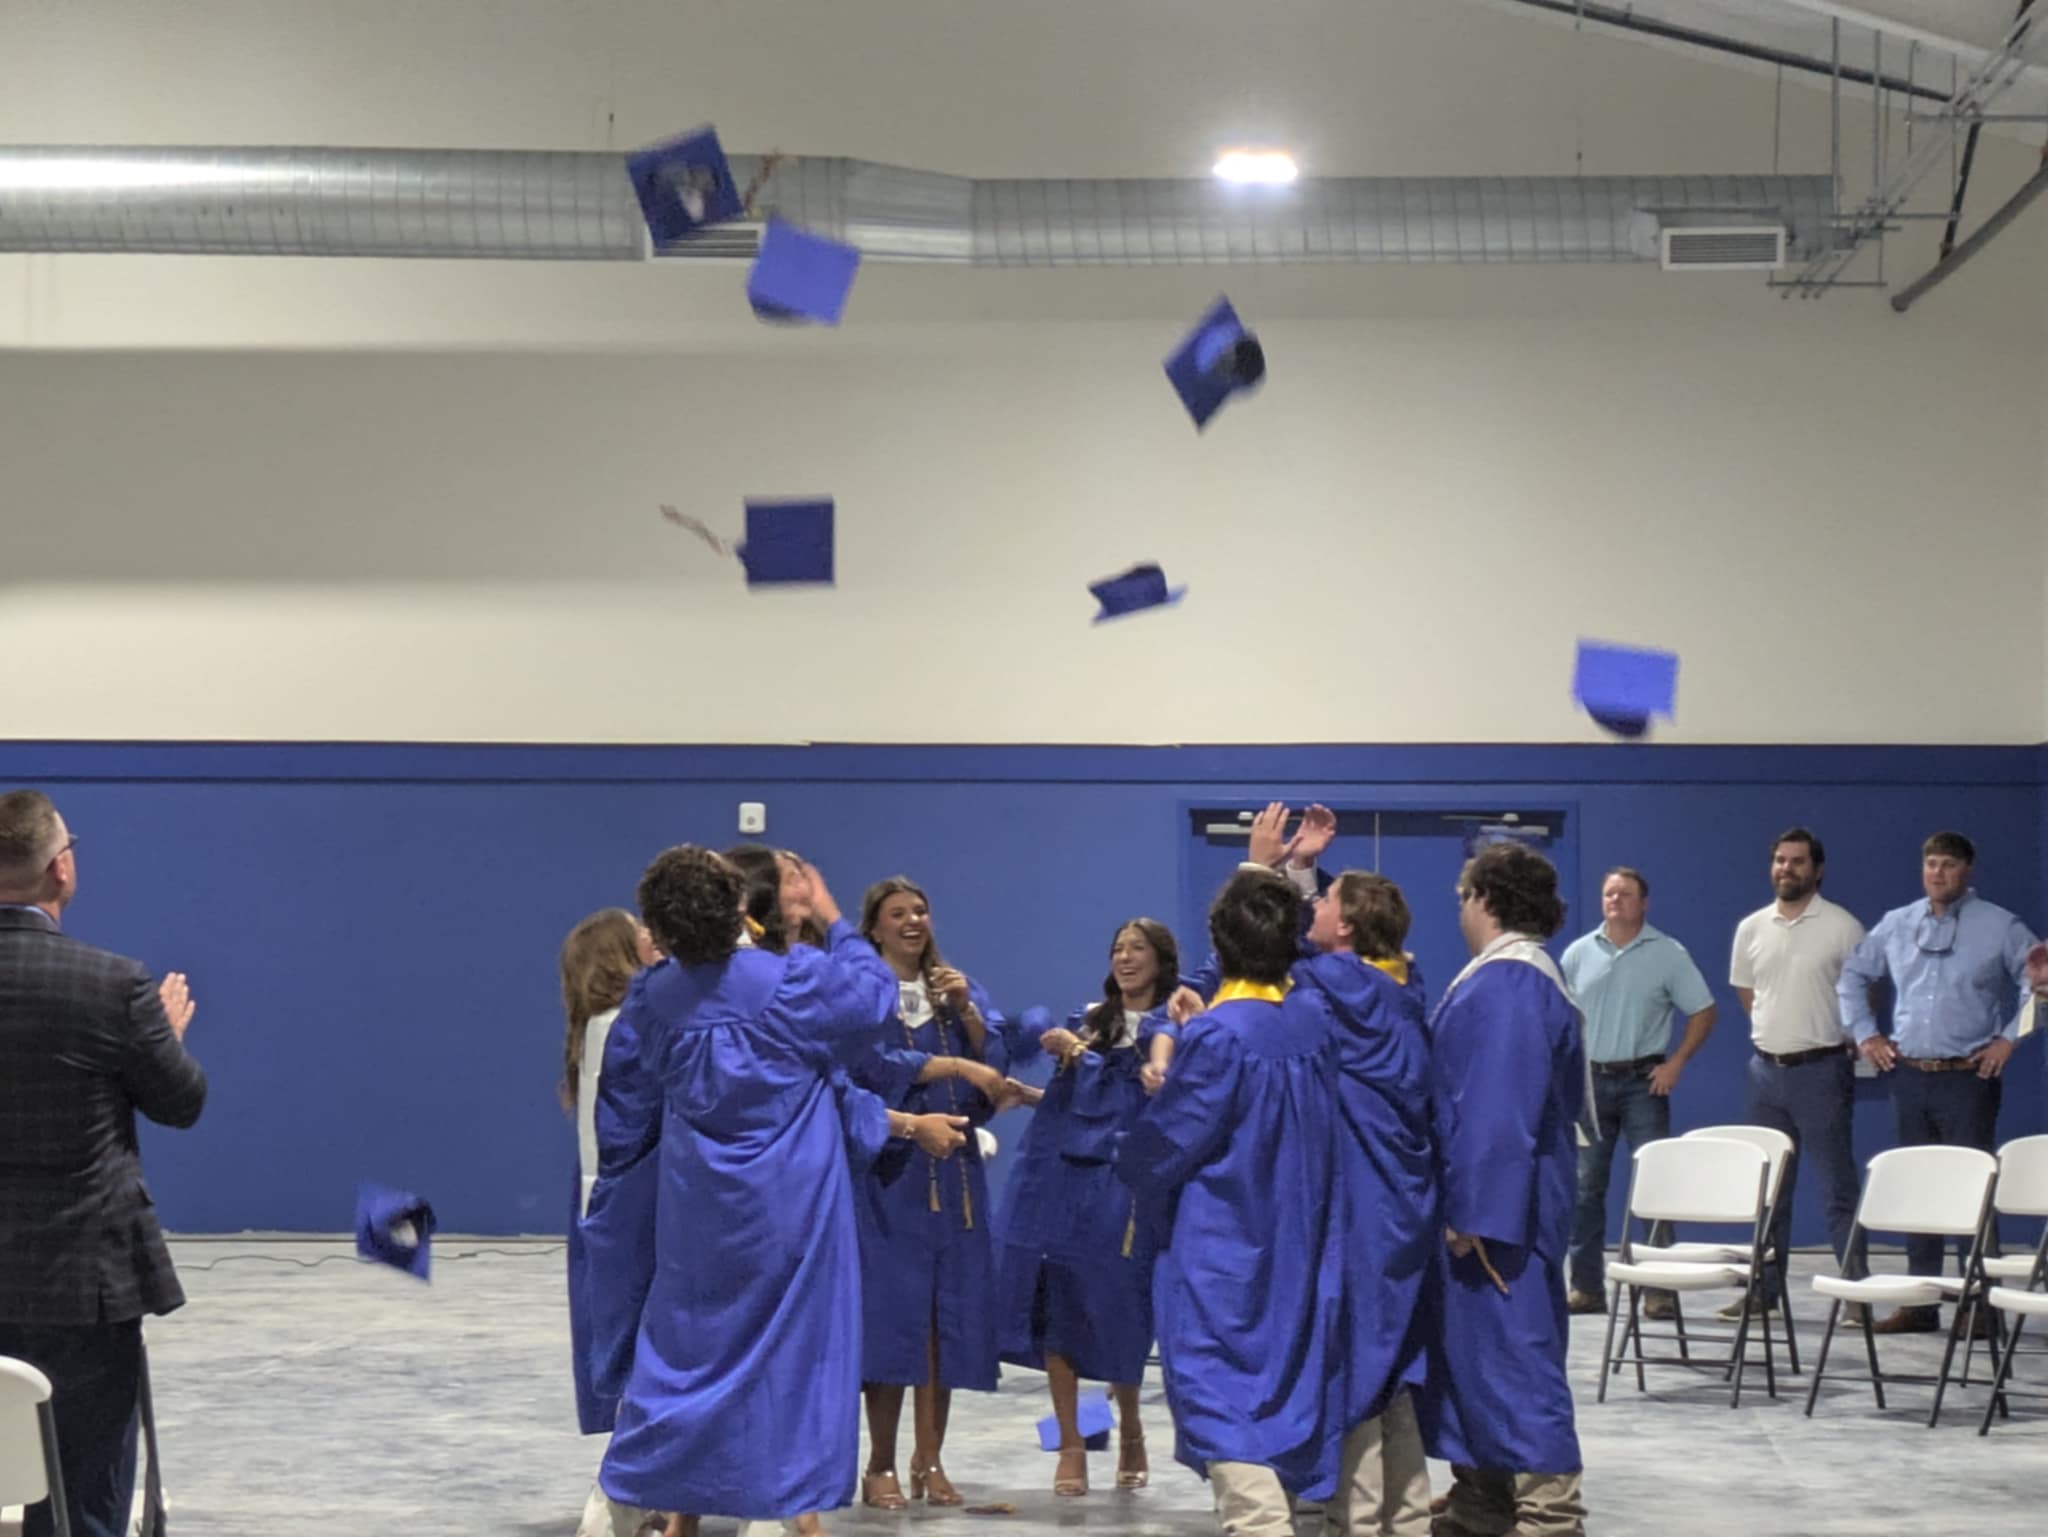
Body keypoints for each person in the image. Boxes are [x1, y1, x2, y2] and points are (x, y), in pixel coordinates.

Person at [581, 847, 963, 1537]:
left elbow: (627, 1112)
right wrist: (834, 917)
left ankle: (651, 1494)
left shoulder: (651, 997)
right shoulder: (792, 981)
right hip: (791, 1203)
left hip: (696, 1208)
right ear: (737, 905)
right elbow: (872, 998)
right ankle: (782, 1501)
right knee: (793, 1357)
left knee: (688, 1349)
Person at [0, 789, 206, 1537]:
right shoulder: (112, 984)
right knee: (84, 1496)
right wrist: (166, 1040)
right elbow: (180, 1102)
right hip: (84, 1288)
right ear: (62, 868)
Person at [1118, 867, 1346, 1537]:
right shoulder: (1311, 1022)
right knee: (1284, 1389)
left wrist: (1140, 1123)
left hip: (1223, 1249)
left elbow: (1167, 1145)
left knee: (1221, 1394)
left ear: (1219, 942)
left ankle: (1260, 1523)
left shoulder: (1219, 1037)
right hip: (1299, 1238)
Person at [848, 876, 1033, 1510]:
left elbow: (996, 1071)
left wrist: (968, 1013)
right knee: (892, 1320)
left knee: (944, 1320)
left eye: (921, 911)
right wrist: (952, 1067)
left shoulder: (955, 989)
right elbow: (867, 1069)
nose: (912, 921)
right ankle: (879, 1464)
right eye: (898, 913)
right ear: (874, 927)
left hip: (954, 1175)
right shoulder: (863, 995)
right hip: (891, 1173)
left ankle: (929, 1460)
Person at [1423, 841, 1586, 1537]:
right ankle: (1482, 1498)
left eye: (1463, 896)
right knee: (1476, 1357)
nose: (1460, 909)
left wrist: (1475, 1212)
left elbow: (1497, 1105)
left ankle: (1550, 1514)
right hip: (1502, 1199)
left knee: (1516, 1355)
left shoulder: (1511, 983)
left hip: (1501, 1211)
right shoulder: (1510, 976)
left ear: (1485, 898)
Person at [994, 917, 1178, 1497]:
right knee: (1057, 1300)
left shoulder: (1173, 1027)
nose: (1125, 958)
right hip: (1063, 1177)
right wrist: (1032, 1094)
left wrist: (1080, 1055)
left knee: (1118, 1305)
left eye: (1137, 948)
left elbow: (1137, 1103)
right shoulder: (1091, 1021)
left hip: (1125, 1182)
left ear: (1161, 960)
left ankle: (1130, 1427)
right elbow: (1079, 1103)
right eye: (1118, 948)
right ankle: (1072, 1443)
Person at [1836, 830, 2039, 1336]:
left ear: (1967, 870)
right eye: (1930, 864)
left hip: (1968, 1077)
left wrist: (2009, 1039)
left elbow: (2042, 984)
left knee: (1972, 1189)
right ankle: (1920, 1302)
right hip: (1909, 1076)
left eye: (1948, 864)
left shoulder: (2001, 926)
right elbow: (1852, 976)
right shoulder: (1898, 923)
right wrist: (1866, 1034)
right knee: (1918, 1188)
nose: (1938, 873)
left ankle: (1982, 1307)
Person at [1558, 868, 1716, 1318]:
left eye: (1625, 894)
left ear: (1644, 903)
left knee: (1653, 1185)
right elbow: (1561, 1013)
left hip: (1644, 1082)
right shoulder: (1578, 953)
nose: (1615, 900)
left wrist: (1676, 1062)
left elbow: (1704, 1011)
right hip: (1590, 1084)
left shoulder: (1667, 953)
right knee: (1585, 1188)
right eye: (1609, 893)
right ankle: (1586, 1287)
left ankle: (1659, 1290)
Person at [1726, 826, 1869, 1324]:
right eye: (1780, 860)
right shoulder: (1751, 928)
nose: (1786, 869)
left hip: (1822, 1071)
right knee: (1769, 1192)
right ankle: (1764, 1292)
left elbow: (1864, 995)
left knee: (1837, 1190)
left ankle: (1856, 1295)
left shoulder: (1843, 927)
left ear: (1817, 869)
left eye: (1797, 861)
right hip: (1765, 1073)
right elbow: (1748, 992)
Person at [559, 907, 660, 1537]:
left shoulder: (595, 1029)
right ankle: (619, 1498)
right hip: (628, 1211)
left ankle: (641, 1496)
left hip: (606, 1207)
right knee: (646, 1357)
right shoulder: (628, 1030)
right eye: (640, 932)